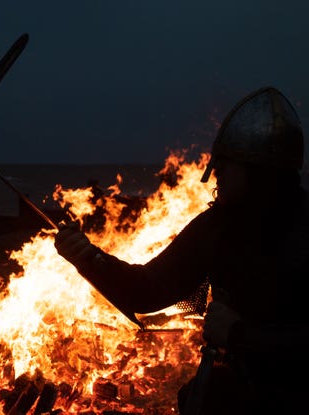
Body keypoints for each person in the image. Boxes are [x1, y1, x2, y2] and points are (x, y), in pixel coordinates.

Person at [54, 86, 309, 414]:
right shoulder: (218, 226)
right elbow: (148, 289)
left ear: (259, 175)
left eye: (225, 169)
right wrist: (87, 258)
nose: (216, 178)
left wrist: (241, 335)